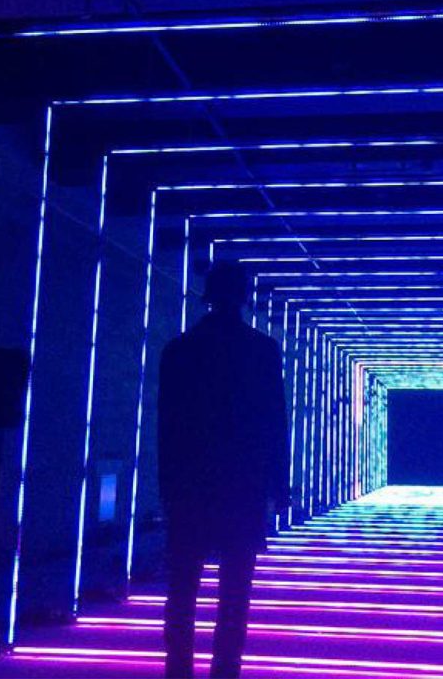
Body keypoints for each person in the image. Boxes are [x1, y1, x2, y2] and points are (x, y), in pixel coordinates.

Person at [158, 261, 289, 679]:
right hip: (242, 485)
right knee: (235, 592)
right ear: (245, 297)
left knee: (182, 588)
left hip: (190, 485)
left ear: (209, 295)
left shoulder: (178, 350)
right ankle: (225, 671)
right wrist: (279, 484)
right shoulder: (263, 350)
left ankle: (178, 671)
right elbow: (275, 421)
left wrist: (167, 485)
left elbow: (167, 424)